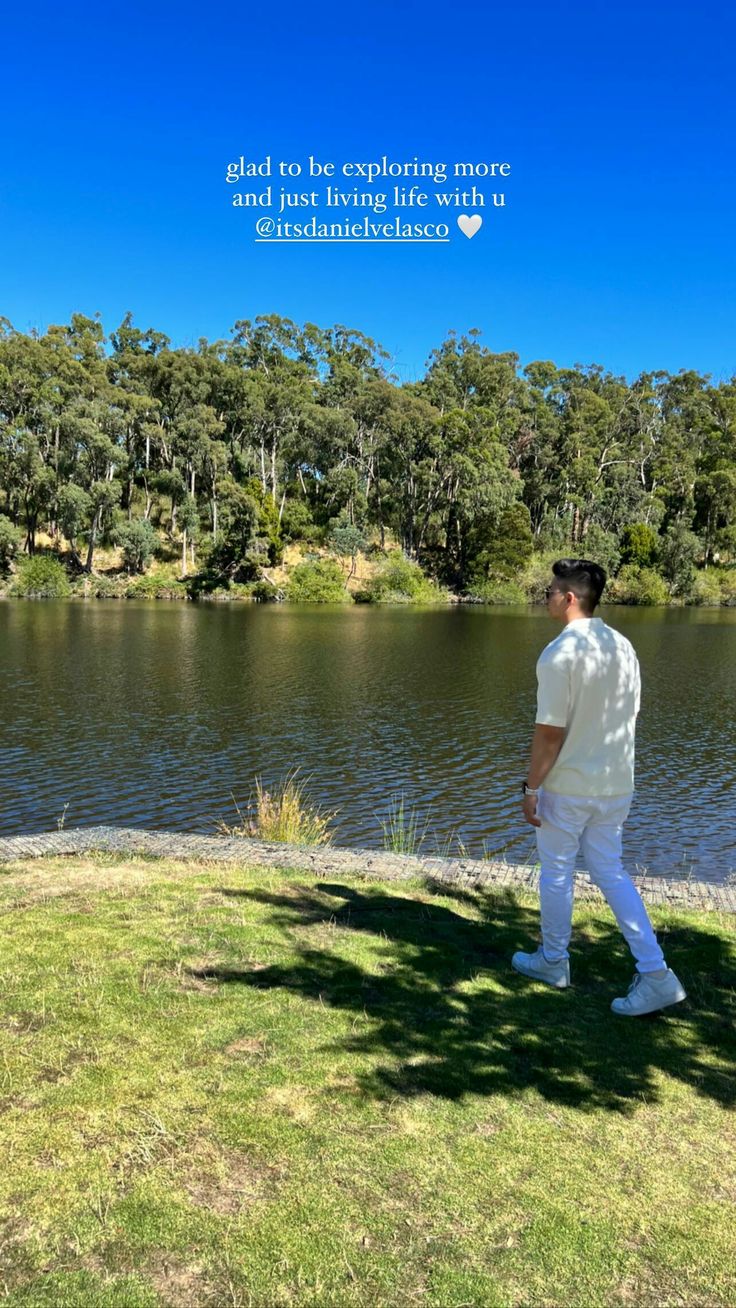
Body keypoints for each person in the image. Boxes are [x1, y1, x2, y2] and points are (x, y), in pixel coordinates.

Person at [512, 558, 686, 1016]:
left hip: (568, 787)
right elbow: (630, 717)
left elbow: (549, 733)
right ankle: (655, 973)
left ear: (570, 598)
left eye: (550, 590)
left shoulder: (559, 654)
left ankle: (553, 961)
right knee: (610, 872)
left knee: (557, 872)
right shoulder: (623, 646)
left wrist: (531, 787)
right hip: (616, 786)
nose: (545, 596)